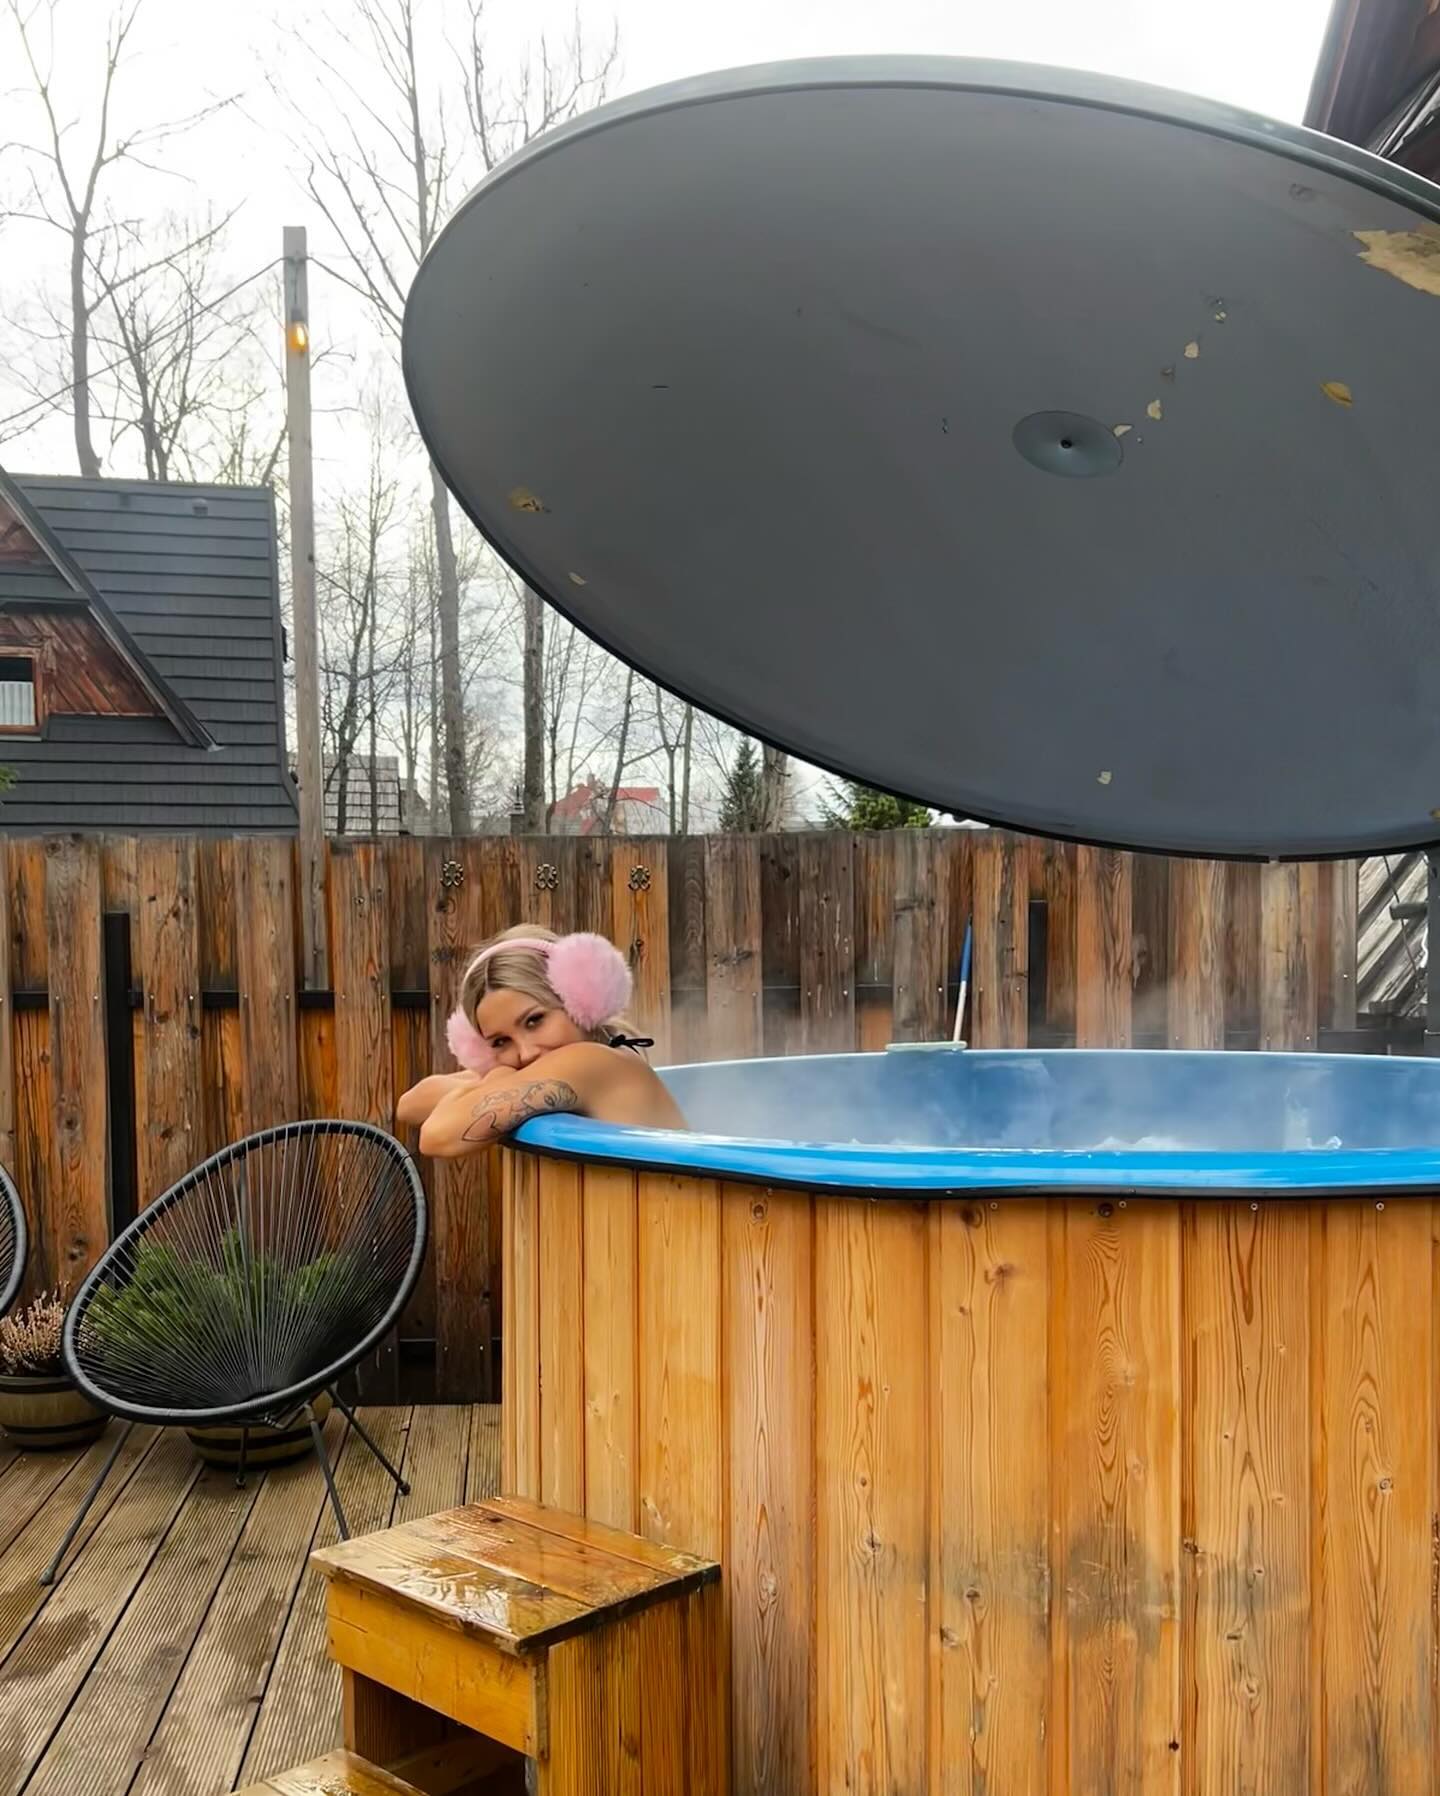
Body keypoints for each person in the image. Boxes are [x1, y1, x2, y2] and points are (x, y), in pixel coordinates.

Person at [398, 924, 686, 1158]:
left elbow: (438, 1134)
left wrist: (497, 1076)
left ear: (580, 999)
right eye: (500, 1042)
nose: (525, 1053)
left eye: (534, 1021)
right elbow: (410, 1104)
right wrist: (497, 1077)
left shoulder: (593, 1060)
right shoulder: (593, 1059)